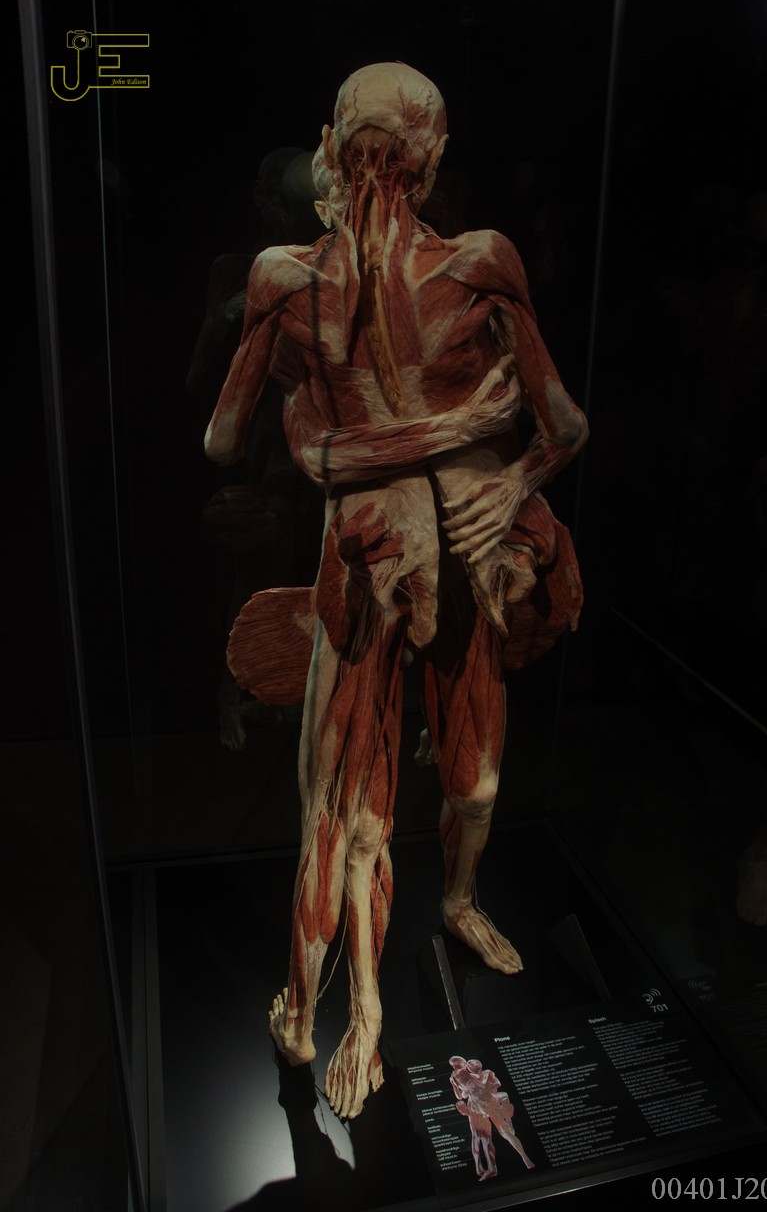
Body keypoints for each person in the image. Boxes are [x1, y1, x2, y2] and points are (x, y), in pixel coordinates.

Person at [206, 62, 587, 1118]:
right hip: (366, 561)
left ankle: (451, 903)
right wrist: (461, 430)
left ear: (341, 149)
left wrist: (501, 481)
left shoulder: (475, 265)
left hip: (463, 556)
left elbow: (564, 428)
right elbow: (230, 439)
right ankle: (332, 1009)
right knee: (346, 812)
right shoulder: (292, 278)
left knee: (466, 787)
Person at [449, 1056, 535, 1180]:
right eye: (467, 1063)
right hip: (480, 1103)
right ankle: (488, 1166)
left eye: (471, 1063)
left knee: (495, 1133)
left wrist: (463, 1088)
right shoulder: (466, 1074)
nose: (468, 1064)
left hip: (483, 1102)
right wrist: (470, 1088)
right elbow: (470, 1089)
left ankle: (520, 1156)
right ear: (460, 1063)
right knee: (485, 1135)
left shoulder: (467, 1075)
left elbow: (462, 1095)